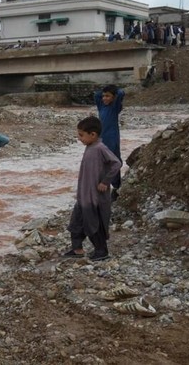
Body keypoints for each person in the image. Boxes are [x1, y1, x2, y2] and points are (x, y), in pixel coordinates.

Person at [63, 117, 122, 262]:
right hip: (83, 195)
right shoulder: (90, 147)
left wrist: (105, 181)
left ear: (93, 134)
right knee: (76, 223)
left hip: (94, 197)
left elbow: (116, 163)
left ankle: (101, 251)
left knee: (93, 224)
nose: (79, 138)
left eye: (81, 135)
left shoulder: (100, 148)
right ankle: (77, 249)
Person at [95, 84, 124, 201]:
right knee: (102, 164)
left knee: (114, 162)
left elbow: (121, 93)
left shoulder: (114, 107)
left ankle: (116, 187)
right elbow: (97, 95)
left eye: (108, 96)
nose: (104, 98)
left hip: (112, 139)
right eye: (104, 96)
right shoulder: (101, 106)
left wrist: (114, 89)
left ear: (114, 97)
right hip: (102, 140)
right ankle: (105, 189)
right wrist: (104, 90)